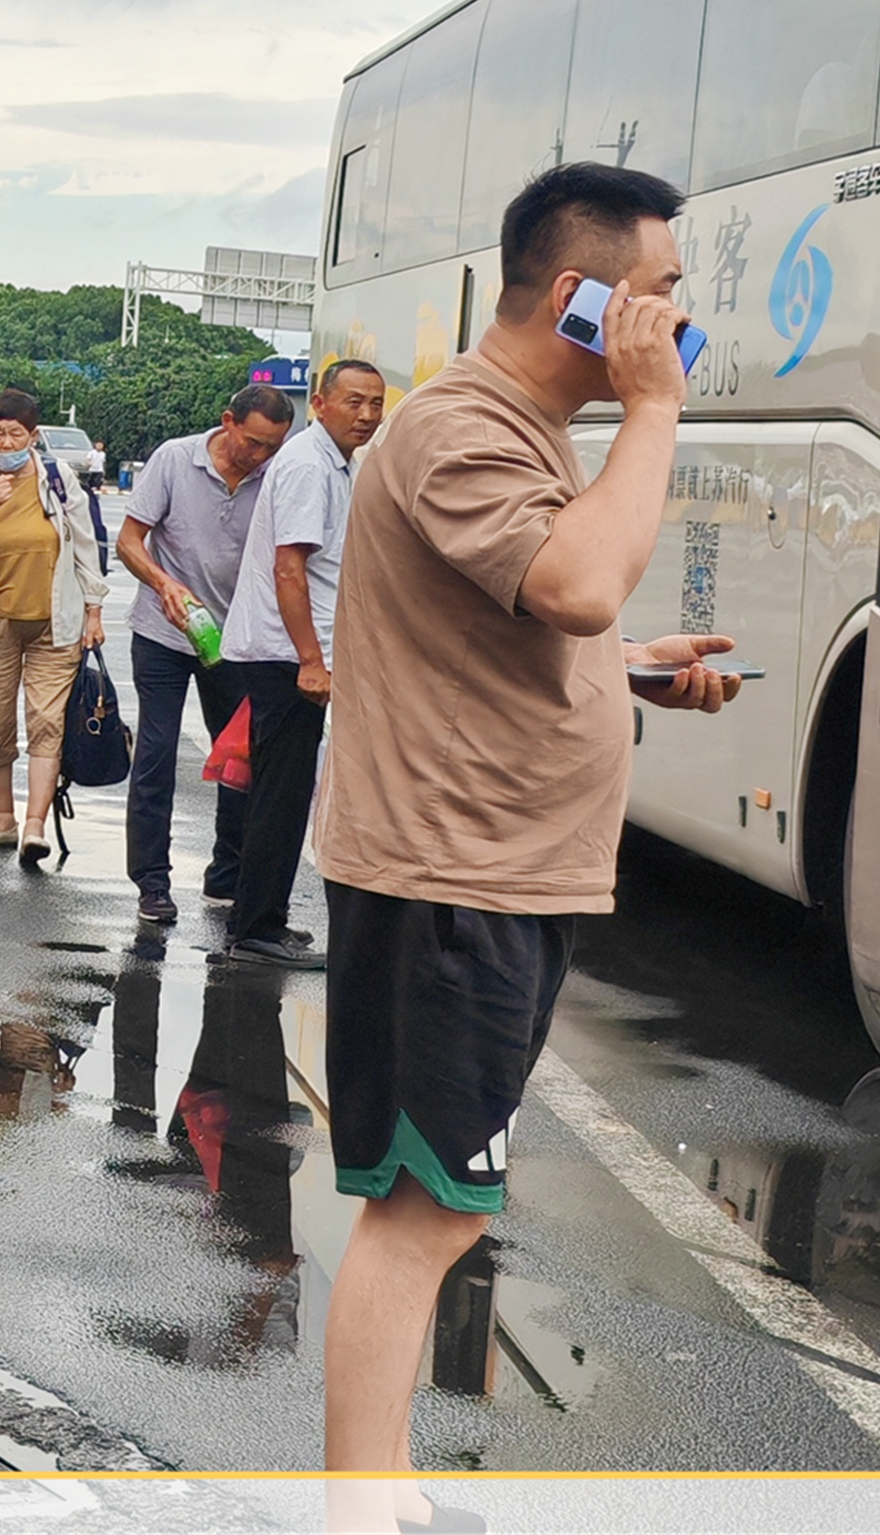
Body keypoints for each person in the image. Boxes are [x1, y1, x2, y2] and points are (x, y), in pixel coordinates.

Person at [311, 163, 743, 1532]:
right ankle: (363, 1508)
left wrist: (632, 669)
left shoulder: (519, 433)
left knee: (441, 1206)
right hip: (454, 879)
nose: (677, 321)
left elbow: (529, 627)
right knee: (426, 1213)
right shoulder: (463, 429)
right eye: (662, 294)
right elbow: (572, 583)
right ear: (580, 298)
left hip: (490, 873)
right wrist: (660, 409)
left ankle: (372, 1503)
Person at [213, 358, 387, 968]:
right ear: (320, 402)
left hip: (292, 651)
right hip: (287, 656)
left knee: (282, 794)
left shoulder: (334, 463)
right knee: (281, 797)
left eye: (375, 403)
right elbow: (290, 568)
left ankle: (263, 920)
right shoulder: (311, 465)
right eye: (354, 401)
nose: (366, 414)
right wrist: (312, 661)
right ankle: (255, 928)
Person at [117, 386, 299, 924]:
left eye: (273, 446)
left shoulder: (278, 475)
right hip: (164, 633)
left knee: (241, 759)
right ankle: (152, 883)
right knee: (156, 754)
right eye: (253, 443)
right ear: (227, 422)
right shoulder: (176, 459)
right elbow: (130, 540)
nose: (260, 456)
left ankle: (226, 878)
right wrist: (163, 584)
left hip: (235, 641)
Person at [0, 387, 107, 867]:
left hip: (56, 619)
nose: (7, 442)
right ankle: (3, 818)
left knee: (48, 721)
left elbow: (86, 545)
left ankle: (35, 824)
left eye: (16, 433)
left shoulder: (58, 478)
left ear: (33, 436)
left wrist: (94, 610)